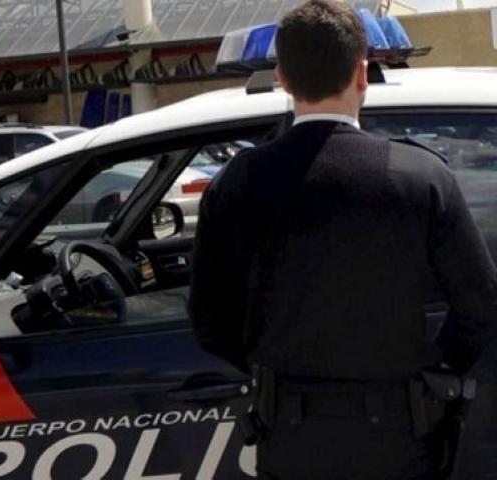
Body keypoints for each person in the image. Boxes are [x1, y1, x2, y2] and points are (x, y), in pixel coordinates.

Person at [188, 0, 497, 478]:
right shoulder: (420, 176)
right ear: (361, 74)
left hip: (291, 439)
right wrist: (435, 368)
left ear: (283, 78)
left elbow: (209, 319)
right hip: (399, 437)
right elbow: (481, 303)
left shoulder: (238, 181)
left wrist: (268, 367)